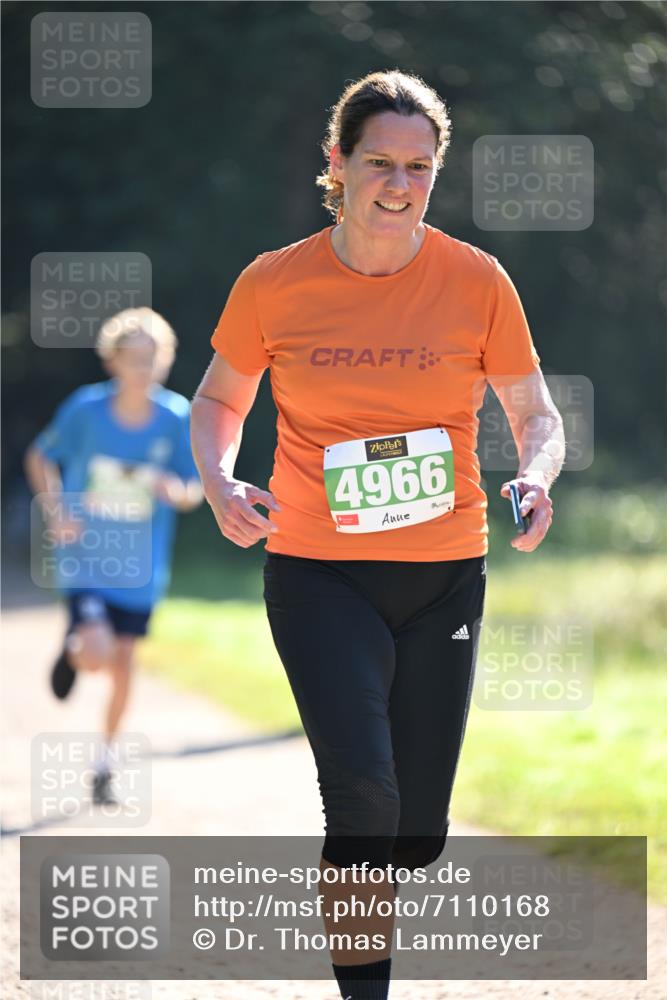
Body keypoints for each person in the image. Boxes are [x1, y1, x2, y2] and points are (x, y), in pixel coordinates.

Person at [190, 70, 565, 1000]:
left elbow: (535, 415)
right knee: (363, 799)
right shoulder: (273, 282)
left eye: (418, 167)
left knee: (414, 832)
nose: (398, 185)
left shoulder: (476, 280)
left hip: (444, 574)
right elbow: (218, 401)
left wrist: (535, 475)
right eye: (378, 163)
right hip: (319, 571)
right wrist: (218, 480)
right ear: (338, 163)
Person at [24, 308, 203, 806]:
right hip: (85, 557)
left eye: (154, 357)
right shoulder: (85, 409)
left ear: (166, 360)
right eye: (135, 358)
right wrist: (57, 511)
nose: (145, 367)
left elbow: (194, 487)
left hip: (141, 567)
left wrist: (176, 491)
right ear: (113, 361)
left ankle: (105, 763)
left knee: (124, 665)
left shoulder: (175, 416)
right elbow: (40, 456)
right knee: (98, 651)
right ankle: (77, 649)